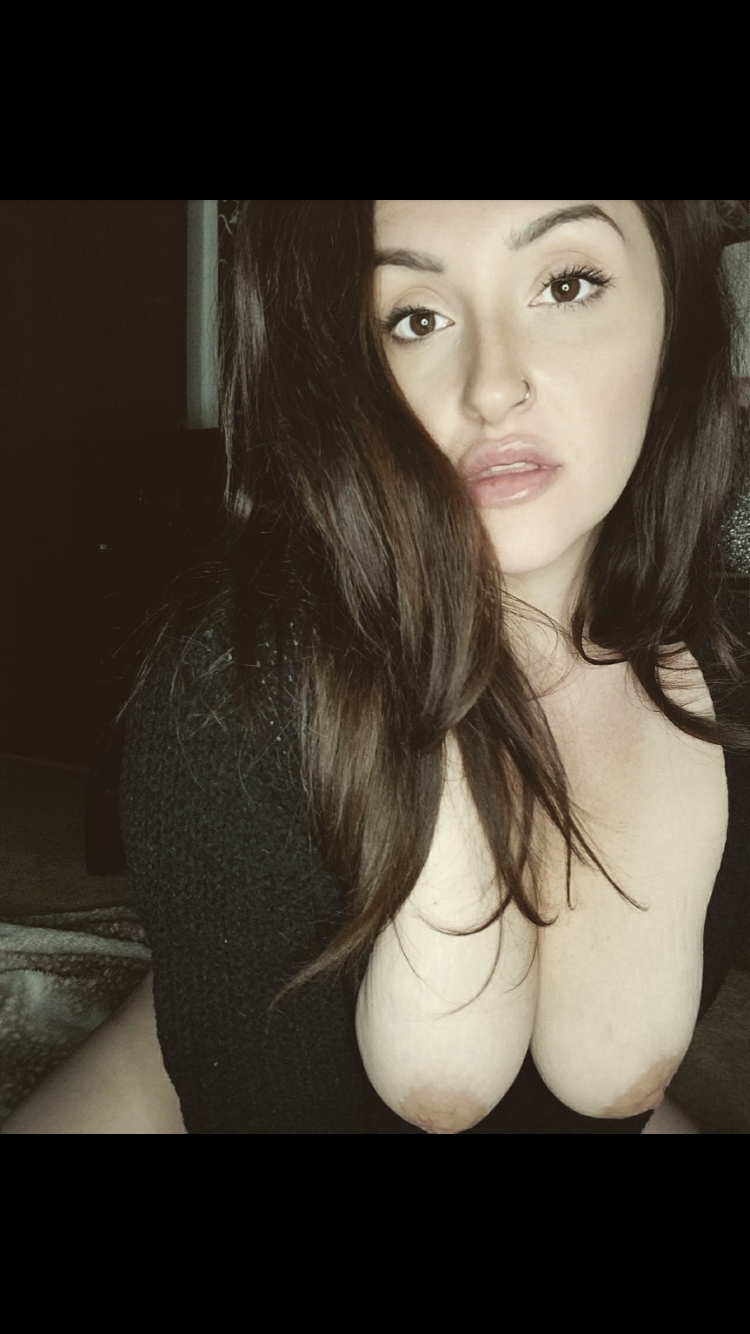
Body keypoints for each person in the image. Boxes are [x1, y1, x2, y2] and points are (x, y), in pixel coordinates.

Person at [4, 200, 748, 1135]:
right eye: (415, 317)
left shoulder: (724, 677)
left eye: (566, 285)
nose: (492, 387)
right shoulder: (238, 694)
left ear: (675, 314)